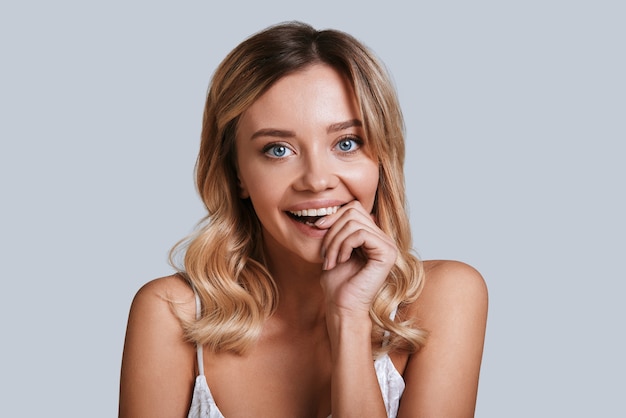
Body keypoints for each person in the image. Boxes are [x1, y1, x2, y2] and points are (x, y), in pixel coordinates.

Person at [119, 21, 488, 418]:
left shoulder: (445, 298)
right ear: (237, 173)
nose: (316, 180)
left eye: (346, 143)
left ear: (382, 156)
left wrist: (349, 319)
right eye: (278, 149)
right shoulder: (171, 314)